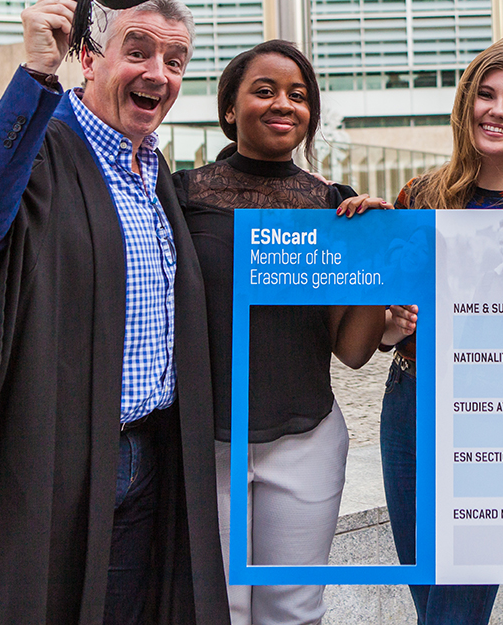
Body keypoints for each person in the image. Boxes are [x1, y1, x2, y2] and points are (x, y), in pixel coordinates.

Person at [0, 0, 229, 625]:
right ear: (88, 57)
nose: (158, 73)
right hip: (54, 458)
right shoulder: (39, 151)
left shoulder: (153, 174)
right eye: (137, 51)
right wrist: (35, 74)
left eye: (175, 61)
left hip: (148, 458)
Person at [173, 40, 386, 625]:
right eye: (264, 91)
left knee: (293, 611)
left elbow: (353, 351)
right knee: (217, 611)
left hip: (305, 438)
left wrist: (378, 253)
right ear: (229, 108)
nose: (283, 104)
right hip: (205, 440)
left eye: (298, 95)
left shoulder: (338, 209)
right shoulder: (180, 196)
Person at [377, 33, 503, 625]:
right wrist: (371, 248)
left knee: (454, 614)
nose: (498, 110)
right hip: (412, 405)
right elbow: (387, 331)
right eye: (485, 95)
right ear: (466, 105)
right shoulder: (418, 198)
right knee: (432, 603)